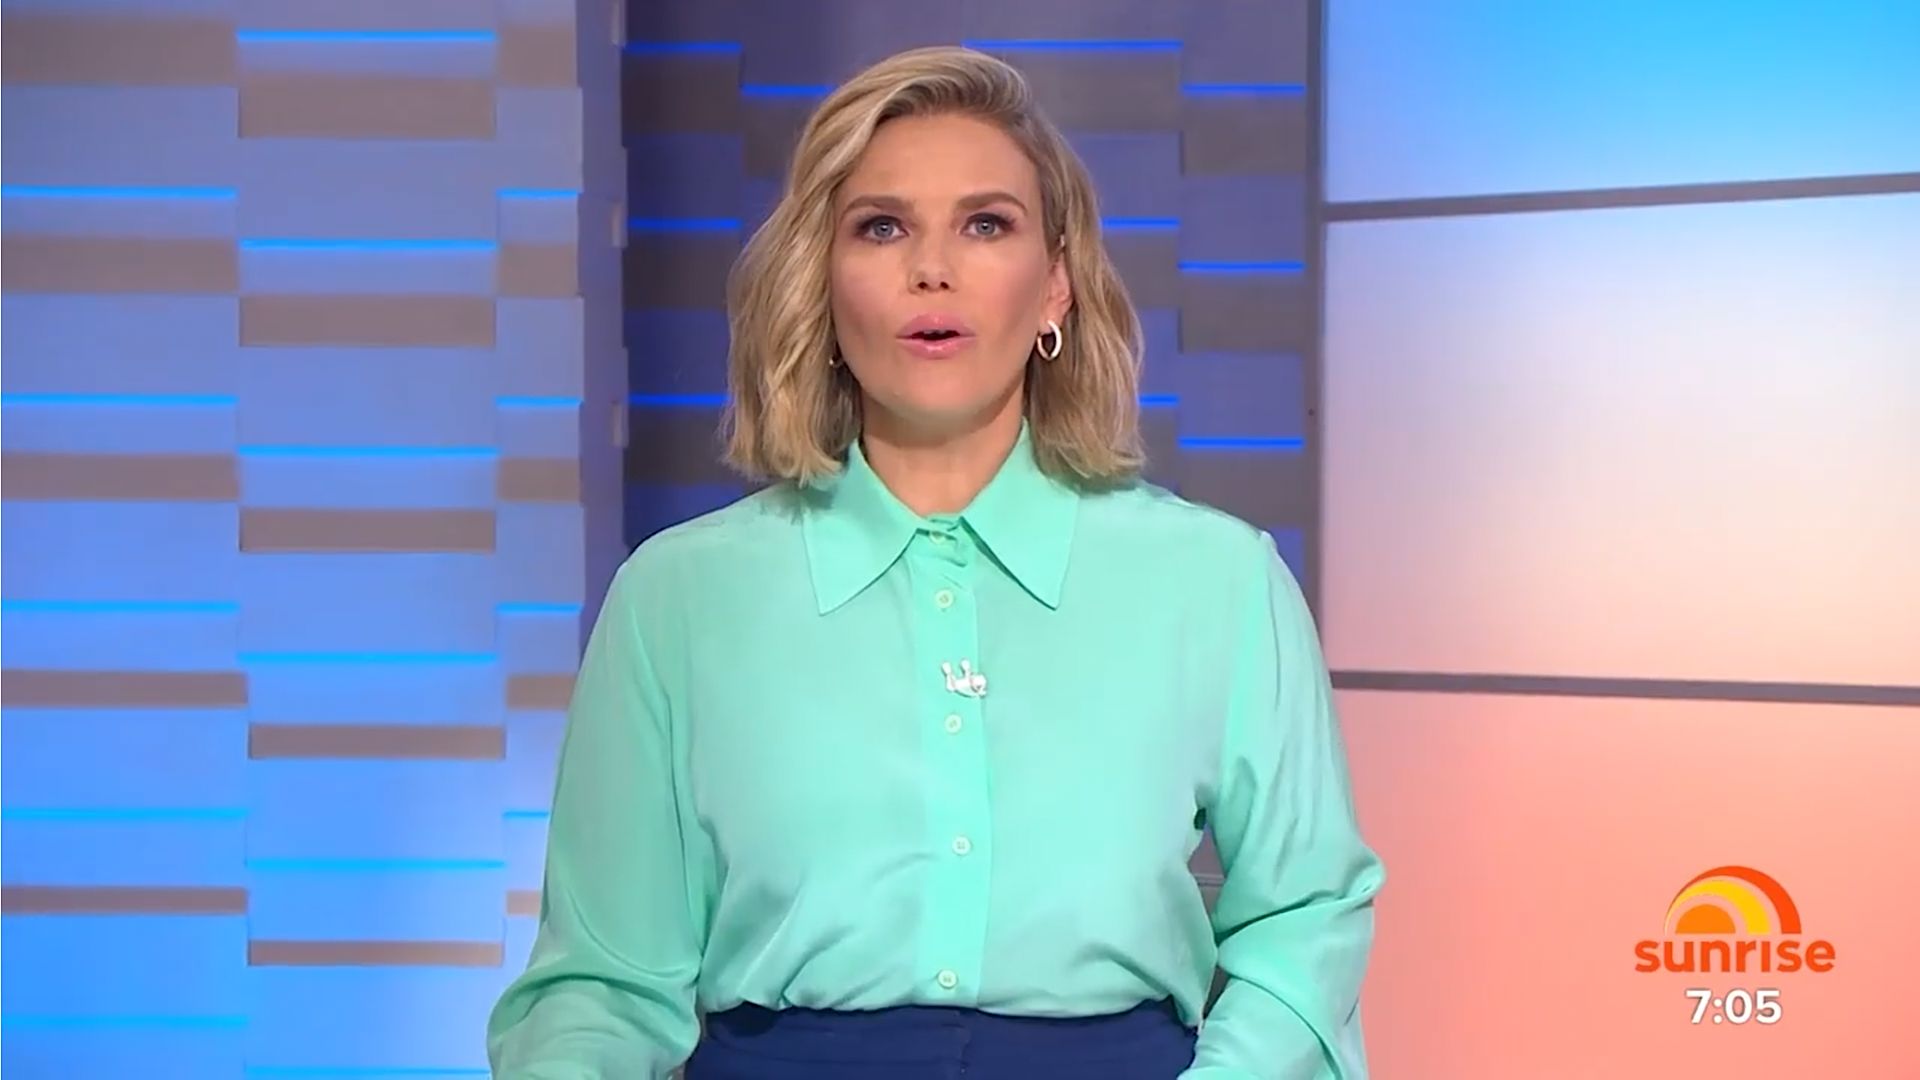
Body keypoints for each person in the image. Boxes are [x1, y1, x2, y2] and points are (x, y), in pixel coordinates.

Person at [486, 45, 1384, 1080]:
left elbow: (1306, 919)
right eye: (882, 227)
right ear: (822, 284)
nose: (933, 269)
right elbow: (603, 986)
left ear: (1056, 287)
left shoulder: (1217, 581)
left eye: (986, 224)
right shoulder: (679, 597)